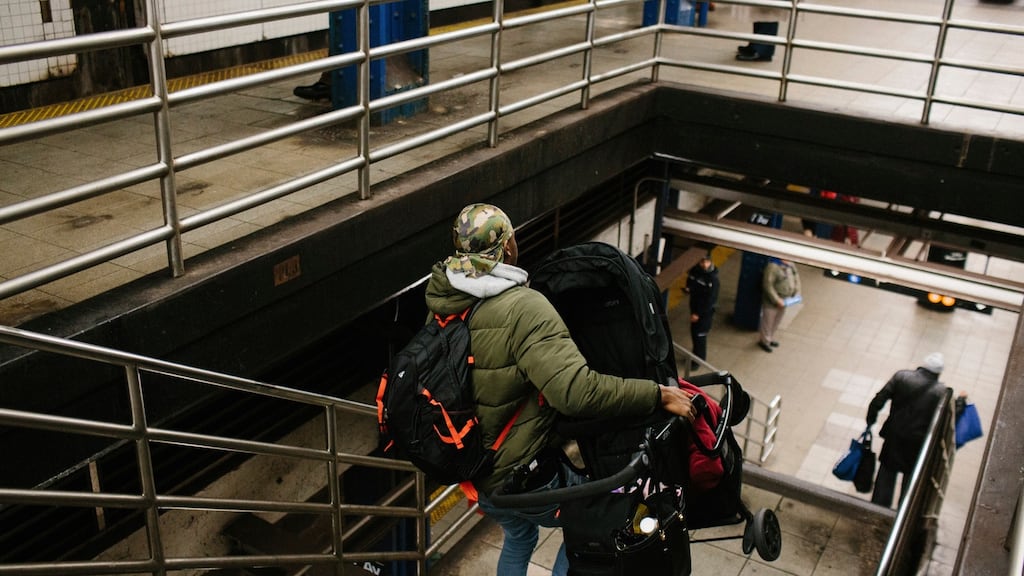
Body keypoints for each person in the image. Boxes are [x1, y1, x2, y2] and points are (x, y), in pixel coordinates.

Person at [425, 203, 697, 576]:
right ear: (506, 248)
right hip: (520, 476)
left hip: (473, 471)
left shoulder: (442, 300)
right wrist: (657, 394)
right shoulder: (524, 307)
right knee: (594, 525)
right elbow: (575, 392)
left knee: (519, 537)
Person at [866, 352, 948, 507]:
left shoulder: (901, 377)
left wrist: (871, 420)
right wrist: (960, 403)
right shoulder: (941, 392)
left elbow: (879, 398)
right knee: (910, 480)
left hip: (894, 435)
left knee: (886, 473)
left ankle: (877, 509)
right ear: (938, 373)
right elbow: (946, 420)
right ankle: (904, 513)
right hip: (918, 443)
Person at [684, 251, 720, 367]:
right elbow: (690, 281)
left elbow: (710, 300)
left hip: (704, 314)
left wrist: (698, 314)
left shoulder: (713, 280)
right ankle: (695, 355)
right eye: (702, 261)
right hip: (695, 309)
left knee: (700, 336)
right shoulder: (695, 272)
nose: (705, 264)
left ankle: (698, 361)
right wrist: (688, 288)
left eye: (707, 262)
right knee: (695, 334)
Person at [759, 258, 800, 352]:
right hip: (772, 301)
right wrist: (776, 300)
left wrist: (796, 290)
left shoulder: (790, 264)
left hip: (785, 300)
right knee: (768, 322)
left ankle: (770, 338)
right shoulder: (772, 267)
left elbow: (796, 276)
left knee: (777, 321)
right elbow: (767, 285)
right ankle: (764, 341)